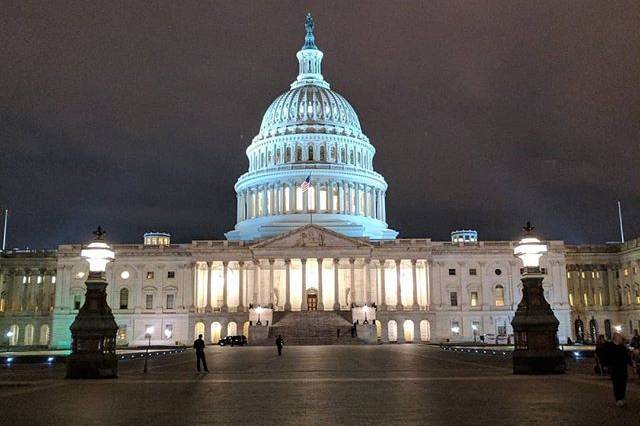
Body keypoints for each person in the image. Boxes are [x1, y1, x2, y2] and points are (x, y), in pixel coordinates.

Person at [604, 332, 632, 406]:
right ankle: (618, 399)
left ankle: (622, 397)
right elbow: (607, 356)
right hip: (615, 368)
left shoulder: (622, 347)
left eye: (620, 337)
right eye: (619, 337)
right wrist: (606, 365)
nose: (620, 338)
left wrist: (631, 364)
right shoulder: (610, 346)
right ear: (615, 338)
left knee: (623, 383)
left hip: (623, 368)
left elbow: (627, 356)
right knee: (617, 384)